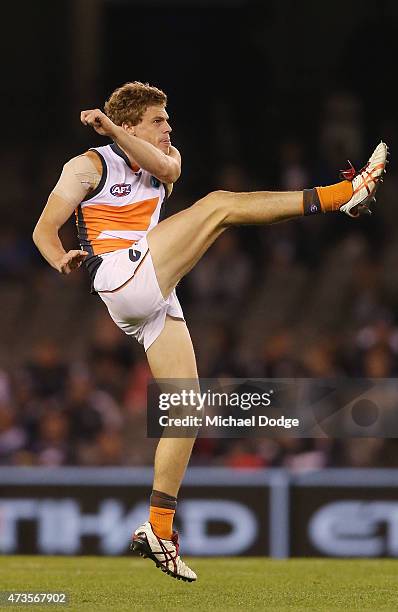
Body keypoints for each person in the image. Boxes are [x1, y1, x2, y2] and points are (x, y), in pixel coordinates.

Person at [32, 81, 388, 582]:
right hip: (118, 275)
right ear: (132, 124)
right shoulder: (88, 165)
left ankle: (159, 528)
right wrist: (60, 260)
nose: (168, 129)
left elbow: (166, 169)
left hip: (151, 285)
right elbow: (43, 230)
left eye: (168, 121)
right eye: (158, 121)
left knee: (186, 410)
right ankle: (342, 196)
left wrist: (114, 128)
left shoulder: (165, 159)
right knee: (220, 204)